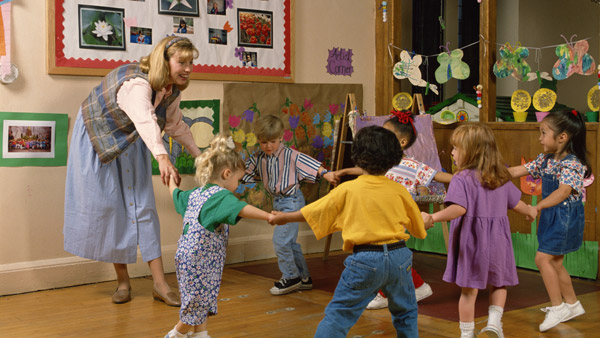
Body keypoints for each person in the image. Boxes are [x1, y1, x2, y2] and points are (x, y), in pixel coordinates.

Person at [63, 36, 200, 306]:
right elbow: (145, 118)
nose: (187, 68)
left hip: (133, 135)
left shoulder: (171, 91)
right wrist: (161, 157)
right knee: (113, 207)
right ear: (165, 61)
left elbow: (174, 125)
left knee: (143, 205)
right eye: (181, 62)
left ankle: (160, 284)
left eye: (191, 62)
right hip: (99, 137)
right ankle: (123, 282)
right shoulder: (136, 84)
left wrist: (200, 155)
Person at [269, 126, 429, 337]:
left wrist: (284, 217)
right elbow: (418, 229)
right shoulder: (399, 190)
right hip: (399, 257)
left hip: (366, 259)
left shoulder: (348, 189)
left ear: (358, 158)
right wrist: (426, 221)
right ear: (394, 159)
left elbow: (313, 212)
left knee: (340, 314)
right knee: (406, 313)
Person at [421, 124, 536, 338]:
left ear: (471, 151)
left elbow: (458, 208)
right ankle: (494, 323)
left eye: (456, 148)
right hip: (498, 240)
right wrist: (530, 210)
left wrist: (432, 217)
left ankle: (467, 334)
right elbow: (517, 203)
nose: (452, 153)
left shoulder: (461, 179)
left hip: (471, 241)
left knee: (468, 290)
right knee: (499, 282)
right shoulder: (500, 176)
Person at [334, 110, 453, 310]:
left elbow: (439, 176)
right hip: (378, 215)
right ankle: (413, 287)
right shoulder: (383, 162)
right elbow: (364, 170)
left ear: (402, 142)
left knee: (385, 254)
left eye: (386, 136)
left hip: (397, 217)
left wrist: (468, 179)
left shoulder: (413, 165)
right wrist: (344, 171)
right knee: (388, 256)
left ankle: (393, 292)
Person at [165, 135, 273, 338]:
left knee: (200, 299)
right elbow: (242, 208)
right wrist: (268, 216)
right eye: (238, 180)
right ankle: (175, 335)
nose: (238, 185)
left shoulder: (195, 194)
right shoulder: (221, 196)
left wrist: (171, 180)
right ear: (227, 173)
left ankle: (201, 334)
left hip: (187, 259)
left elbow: (176, 194)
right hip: (201, 261)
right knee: (195, 307)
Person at [508, 110, 590, 332]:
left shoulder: (572, 163)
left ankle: (558, 306)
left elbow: (563, 192)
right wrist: (492, 173)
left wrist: (537, 207)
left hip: (564, 216)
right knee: (554, 262)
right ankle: (572, 304)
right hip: (552, 215)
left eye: (544, 133)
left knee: (542, 259)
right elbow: (518, 170)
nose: (539, 138)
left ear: (562, 137)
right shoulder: (545, 159)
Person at [241, 114, 338, 295]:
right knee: (290, 243)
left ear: (281, 138)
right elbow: (245, 172)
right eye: (263, 142)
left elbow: (310, 164)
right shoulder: (258, 157)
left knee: (280, 241)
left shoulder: (291, 155)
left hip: (292, 201)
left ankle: (291, 276)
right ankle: (304, 278)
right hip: (278, 202)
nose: (268, 146)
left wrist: (325, 173)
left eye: (272, 142)